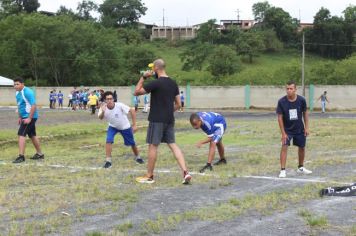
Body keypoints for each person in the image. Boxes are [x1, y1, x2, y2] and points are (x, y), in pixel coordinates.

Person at [134, 59, 191, 184]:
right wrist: (168, 111)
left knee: (153, 146)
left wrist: (143, 77)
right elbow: (179, 104)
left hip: (156, 119)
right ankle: (185, 172)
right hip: (169, 119)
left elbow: (136, 92)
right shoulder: (173, 83)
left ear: (155, 68)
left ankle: (149, 176)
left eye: (152, 68)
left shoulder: (156, 83)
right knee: (173, 144)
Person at [98, 91, 144, 168]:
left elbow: (132, 110)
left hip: (125, 127)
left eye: (111, 99)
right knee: (108, 140)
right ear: (105, 100)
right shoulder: (103, 107)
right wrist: (102, 111)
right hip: (113, 127)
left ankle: (138, 157)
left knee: (131, 143)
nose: (109, 100)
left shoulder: (119, 105)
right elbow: (100, 117)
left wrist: (135, 125)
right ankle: (108, 161)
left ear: (113, 99)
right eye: (107, 99)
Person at [276, 81, 312, 178]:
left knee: (302, 147)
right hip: (287, 130)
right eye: (287, 88)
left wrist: (306, 127)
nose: (289, 90)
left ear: (295, 89)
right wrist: (283, 133)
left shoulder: (301, 100)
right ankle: (283, 170)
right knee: (284, 146)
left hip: (299, 128)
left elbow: (305, 113)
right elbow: (279, 117)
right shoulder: (281, 101)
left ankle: (300, 167)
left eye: (291, 88)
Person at [13, 77, 44, 163]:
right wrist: (19, 117)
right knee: (32, 135)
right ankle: (40, 154)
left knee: (21, 134)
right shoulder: (17, 93)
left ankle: (21, 156)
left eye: (17, 84)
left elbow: (33, 105)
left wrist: (29, 118)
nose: (15, 86)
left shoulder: (28, 92)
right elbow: (19, 105)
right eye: (14, 84)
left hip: (30, 117)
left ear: (22, 84)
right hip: (24, 117)